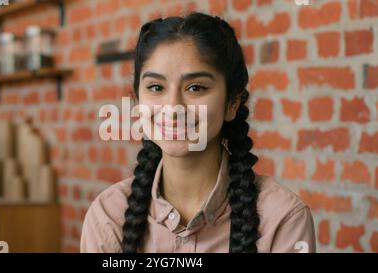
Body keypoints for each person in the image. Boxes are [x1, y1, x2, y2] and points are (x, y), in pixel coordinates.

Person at [80, 12, 316, 253]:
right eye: (156, 87)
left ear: (232, 103)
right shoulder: (108, 216)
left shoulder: (283, 219)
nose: (173, 108)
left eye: (196, 87)